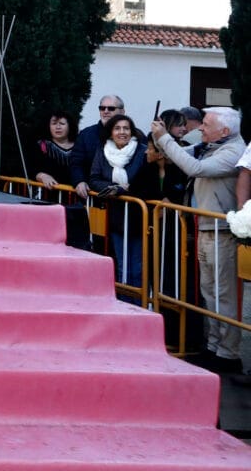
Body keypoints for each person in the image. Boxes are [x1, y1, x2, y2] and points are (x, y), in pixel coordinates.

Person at [150, 107, 247, 371]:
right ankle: (214, 346)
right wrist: (162, 139)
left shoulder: (232, 151)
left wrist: (166, 139)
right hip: (206, 227)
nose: (199, 128)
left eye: (205, 124)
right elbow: (182, 153)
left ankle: (228, 354)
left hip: (222, 232)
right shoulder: (211, 144)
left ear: (224, 131)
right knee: (209, 292)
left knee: (223, 294)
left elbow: (194, 167)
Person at [85, 114, 154, 295]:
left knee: (138, 268)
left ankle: (139, 308)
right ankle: (124, 308)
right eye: (117, 128)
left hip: (139, 216)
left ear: (132, 132)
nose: (122, 132)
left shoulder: (142, 151)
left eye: (126, 128)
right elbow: (94, 178)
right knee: (122, 266)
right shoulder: (103, 151)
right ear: (110, 132)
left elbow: (145, 183)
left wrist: (122, 191)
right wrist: (113, 188)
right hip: (116, 216)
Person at [30, 111, 90, 250]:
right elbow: (31, 167)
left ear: (70, 126)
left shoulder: (79, 146)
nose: (58, 127)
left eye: (62, 124)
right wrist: (41, 175)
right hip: (48, 199)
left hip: (76, 202)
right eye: (54, 123)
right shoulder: (42, 145)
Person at [70, 95, 125, 199]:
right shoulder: (86, 134)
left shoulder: (135, 135)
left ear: (122, 112)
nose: (106, 111)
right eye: (102, 108)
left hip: (122, 199)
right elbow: (76, 163)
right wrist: (79, 181)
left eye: (111, 108)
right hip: (92, 197)